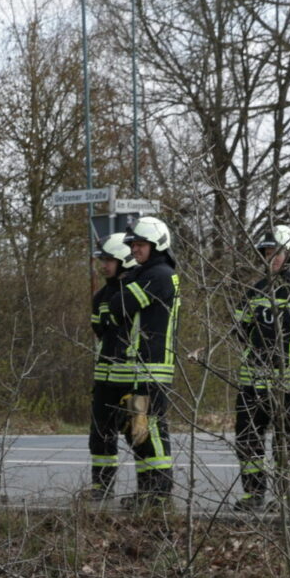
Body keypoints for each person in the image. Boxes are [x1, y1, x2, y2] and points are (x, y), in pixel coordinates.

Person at [87, 215, 180, 509]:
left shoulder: (160, 275)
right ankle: (147, 493)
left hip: (151, 368)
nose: (135, 250)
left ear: (157, 245)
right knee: (138, 432)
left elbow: (119, 306)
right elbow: (114, 310)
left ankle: (158, 493)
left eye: (140, 245)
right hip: (139, 369)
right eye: (134, 245)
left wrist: (120, 301)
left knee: (149, 430)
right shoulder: (144, 274)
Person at [231, 226, 290, 512]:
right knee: (247, 438)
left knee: (286, 443)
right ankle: (253, 494)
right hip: (253, 381)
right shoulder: (256, 290)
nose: (270, 258)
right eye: (266, 253)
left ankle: (285, 498)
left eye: (275, 252)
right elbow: (239, 329)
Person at [81, 231, 133, 500]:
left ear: (124, 261)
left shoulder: (135, 290)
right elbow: (99, 331)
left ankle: (149, 489)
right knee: (100, 435)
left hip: (132, 378)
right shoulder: (101, 296)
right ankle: (102, 487)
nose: (104, 266)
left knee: (141, 435)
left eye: (109, 260)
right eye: (103, 260)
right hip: (105, 378)